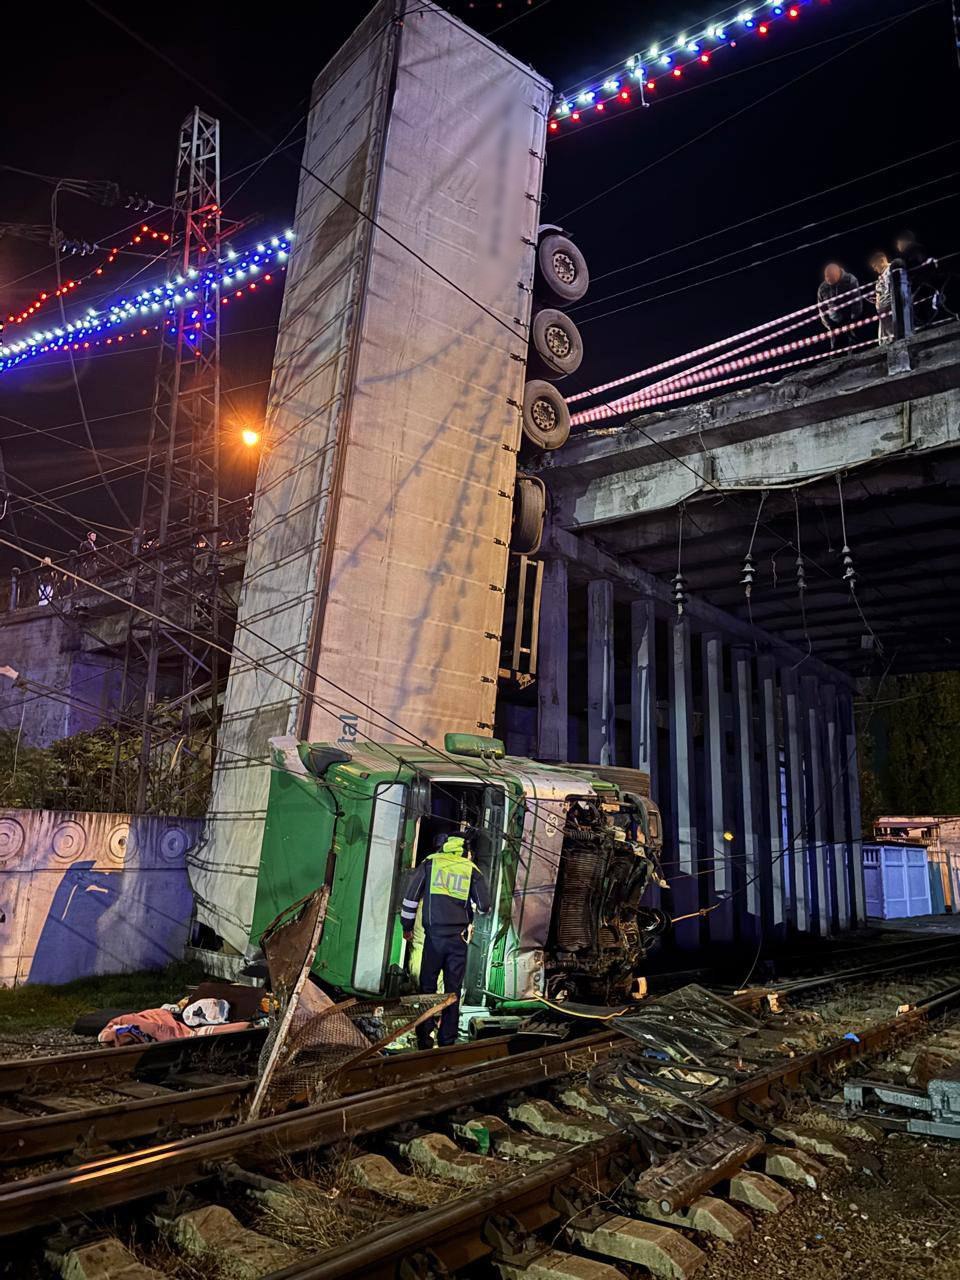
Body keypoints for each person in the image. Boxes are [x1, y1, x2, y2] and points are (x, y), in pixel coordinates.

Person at [399, 829, 491, 1049]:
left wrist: (407, 927)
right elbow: (485, 905)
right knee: (453, 991)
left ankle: (424, 1038)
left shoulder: (430, 864)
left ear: (444, 846)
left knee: (427, 987)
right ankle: (447, 1041)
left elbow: (410, 899)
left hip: (433, 939)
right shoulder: (471, 870)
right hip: (458, 941)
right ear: (464, 850)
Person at [817, 262, 864, 351]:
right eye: (826, 276)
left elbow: (857, 300)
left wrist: (854, 318)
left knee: (856, 347)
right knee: (837, 350)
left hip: (850, 318)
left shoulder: (850, 279)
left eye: (831, 276)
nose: (828, 279)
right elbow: (822, 310)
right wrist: (829, 325)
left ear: (838, 273)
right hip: (833, 323)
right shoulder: (822, 288)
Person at [868, 251, 894, 346]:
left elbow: (891, 289)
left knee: (892, 335)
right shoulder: (880, 277)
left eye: (875, 266)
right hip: (883, 311)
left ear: (881, 261)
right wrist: (876, 299)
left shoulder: (892, 269)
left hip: (890, 308)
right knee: (884, 338)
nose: (875, 269)